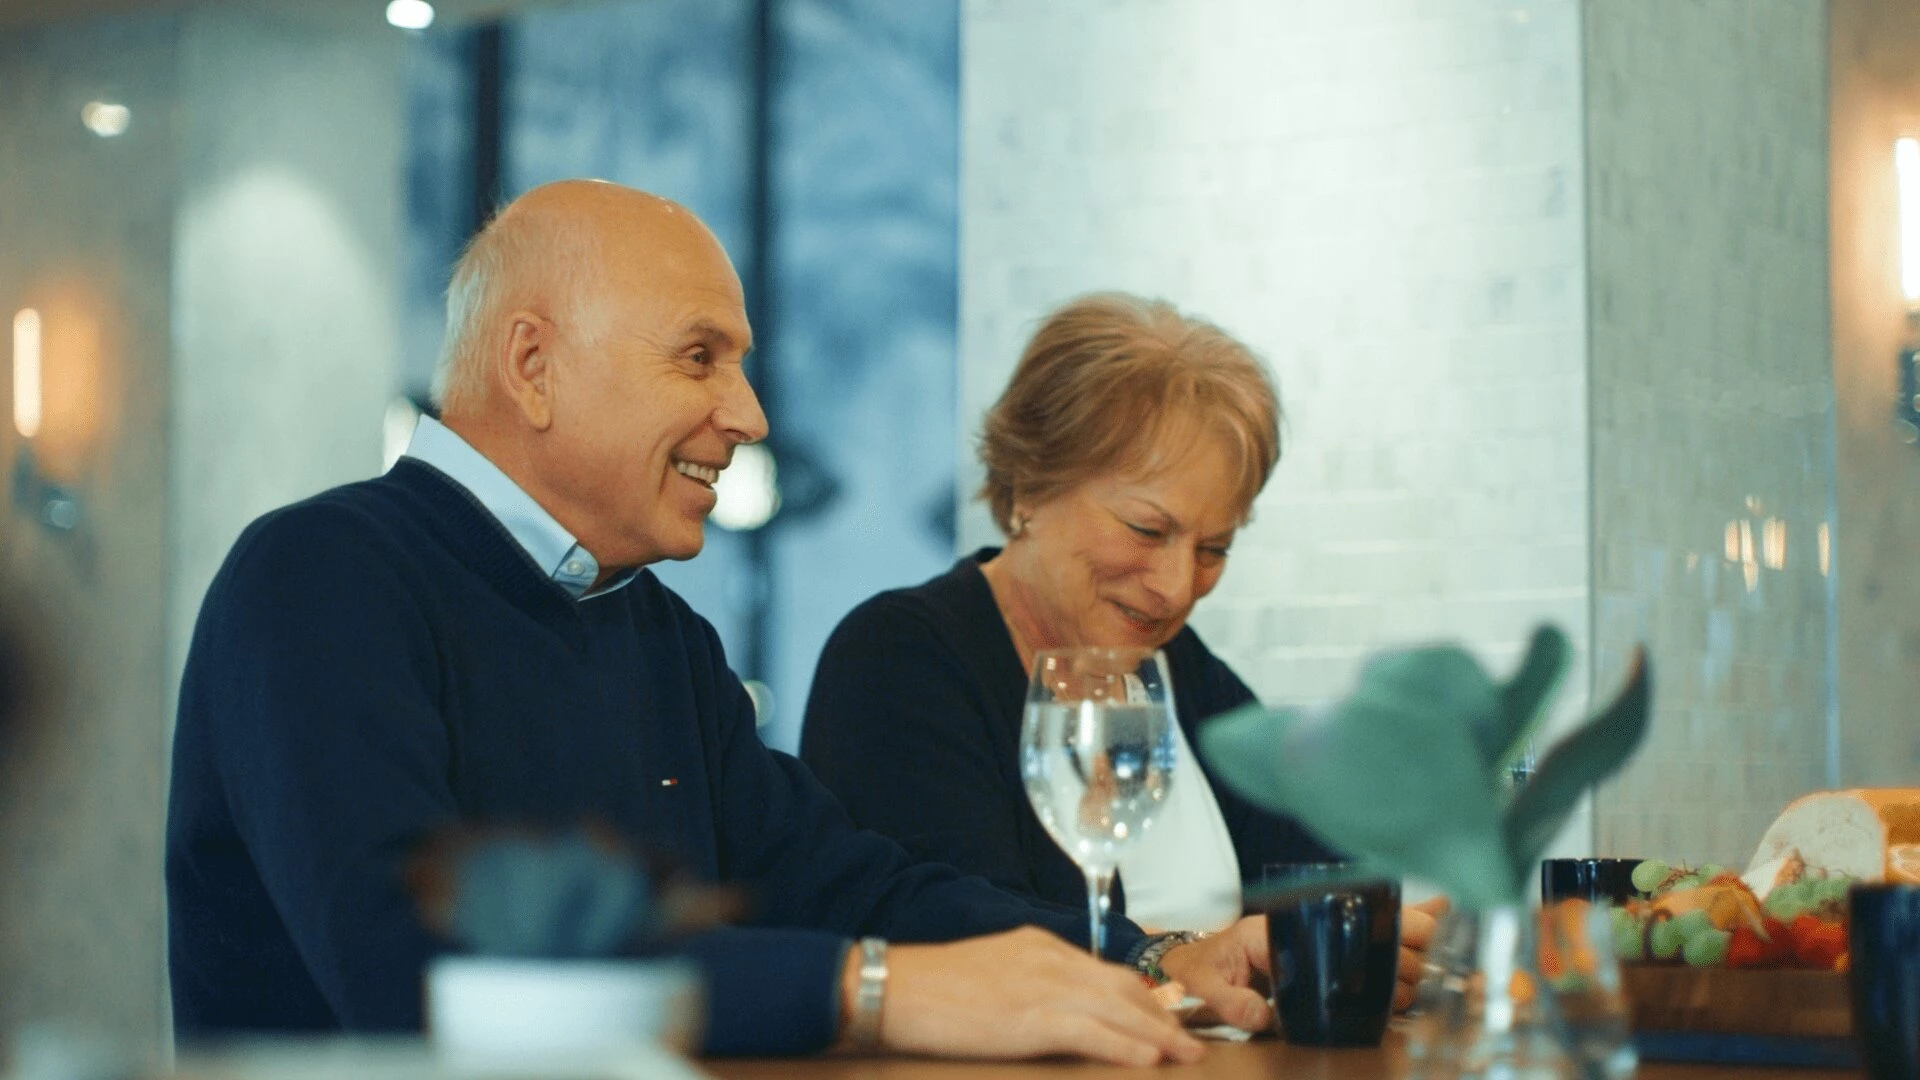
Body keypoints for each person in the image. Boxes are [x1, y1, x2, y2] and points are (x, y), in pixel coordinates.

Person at [165, 181, 1282, 1066]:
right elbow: (417, 970)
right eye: (701, 357)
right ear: (532, 366)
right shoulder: (321, 575)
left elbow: (857, 883)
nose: (747, 415)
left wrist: (1145, 957)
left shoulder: (654, 633)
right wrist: (871, 991)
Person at [800, 294, 1442, 1007]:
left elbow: (1318, 888)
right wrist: (1172, 958)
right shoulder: (901, 655)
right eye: (1146, 530)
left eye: (1213, 548)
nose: (1174, 589)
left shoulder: (1182, 669)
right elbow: (952, 929)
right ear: (1030, 487)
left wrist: (1397, 935)